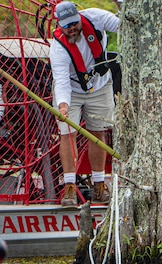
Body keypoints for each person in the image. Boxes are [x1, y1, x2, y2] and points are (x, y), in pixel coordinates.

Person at [49, 1, 119, 208]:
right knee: (67, 133)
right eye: (67, 26)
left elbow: (123, 25)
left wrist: (122, 6)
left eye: (74, 23)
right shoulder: (58, 49)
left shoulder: (96, 17)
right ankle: (69, 187)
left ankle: (99, 185)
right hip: (71, 90)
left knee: (98, 132)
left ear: (79, 17)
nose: (72, 28)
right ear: (59, 25)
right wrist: (63, 106)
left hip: (100, 86)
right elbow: (61, 81)